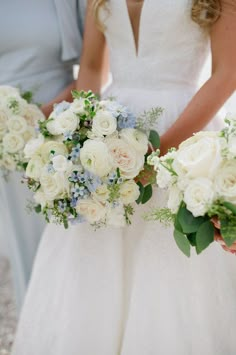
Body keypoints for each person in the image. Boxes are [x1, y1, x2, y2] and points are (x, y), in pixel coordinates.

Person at [12, 1, 236, 354]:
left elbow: (227, 74)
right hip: (108, 138)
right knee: (93, 273)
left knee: (170, 271)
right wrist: (52, 127)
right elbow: (89, 72)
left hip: (183, 132)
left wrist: (158, 156)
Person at [0, 0, 86, 311]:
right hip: (5, 143)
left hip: (62, 129)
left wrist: (36, 120)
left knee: (68, 244)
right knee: (27, 248)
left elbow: (99, 63)